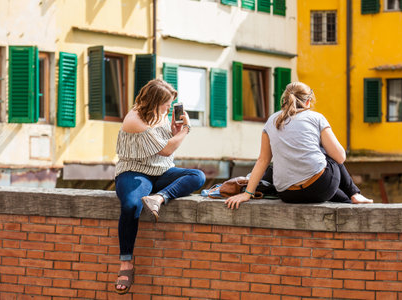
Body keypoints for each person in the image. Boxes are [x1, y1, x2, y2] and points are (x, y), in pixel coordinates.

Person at [113, 79, 206, 294]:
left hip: (162, 171)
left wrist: (174, 131)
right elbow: (164, 150)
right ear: (154, 102)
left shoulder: (161, 114)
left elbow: (166, 149)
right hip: (134, 171)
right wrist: (186, 130)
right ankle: (126, 263)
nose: (168, 108)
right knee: (130, 206)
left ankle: (159, 198)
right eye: (166, 104)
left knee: (197, 176)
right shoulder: (134, 119)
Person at [225, 81, 373, 209]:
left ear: (285, 100)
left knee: (292, 166)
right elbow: (340, 157)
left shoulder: (271, 121)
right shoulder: (316, 118)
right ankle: (354, 194)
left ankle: (348, 200)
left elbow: (262, 160)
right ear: (308, 101)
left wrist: (247, 194)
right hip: (320, 188)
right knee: (326, 153)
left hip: (288, 194)